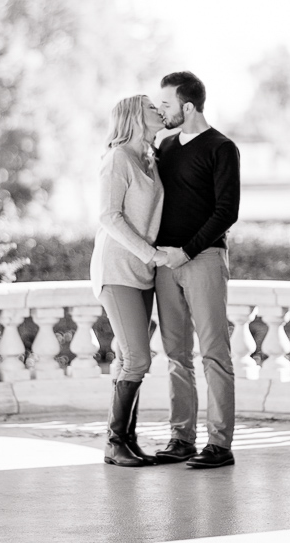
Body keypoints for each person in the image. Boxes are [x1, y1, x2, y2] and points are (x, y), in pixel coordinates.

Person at [154, 71, 240, 469]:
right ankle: (181, 438)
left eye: (167, 105)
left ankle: (219, 445)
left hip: (202, 260)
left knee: (214, 355)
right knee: (175, 354)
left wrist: (186, 252)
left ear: (187, 107)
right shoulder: (165, 145)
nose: (161, 111)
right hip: (163, 264)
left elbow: (227, 212)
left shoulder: (222, 148)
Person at [90, 94, 167, 467]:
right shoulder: (118, 158)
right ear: (136, 116)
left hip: (143, 271)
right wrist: (150, 253)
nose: (161, 111)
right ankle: (114, 441)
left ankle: (126, 442)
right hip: (118, 268)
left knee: (126, 357)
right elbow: (108, 215)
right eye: (154, 107)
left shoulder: (150, 159)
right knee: (138, 356)